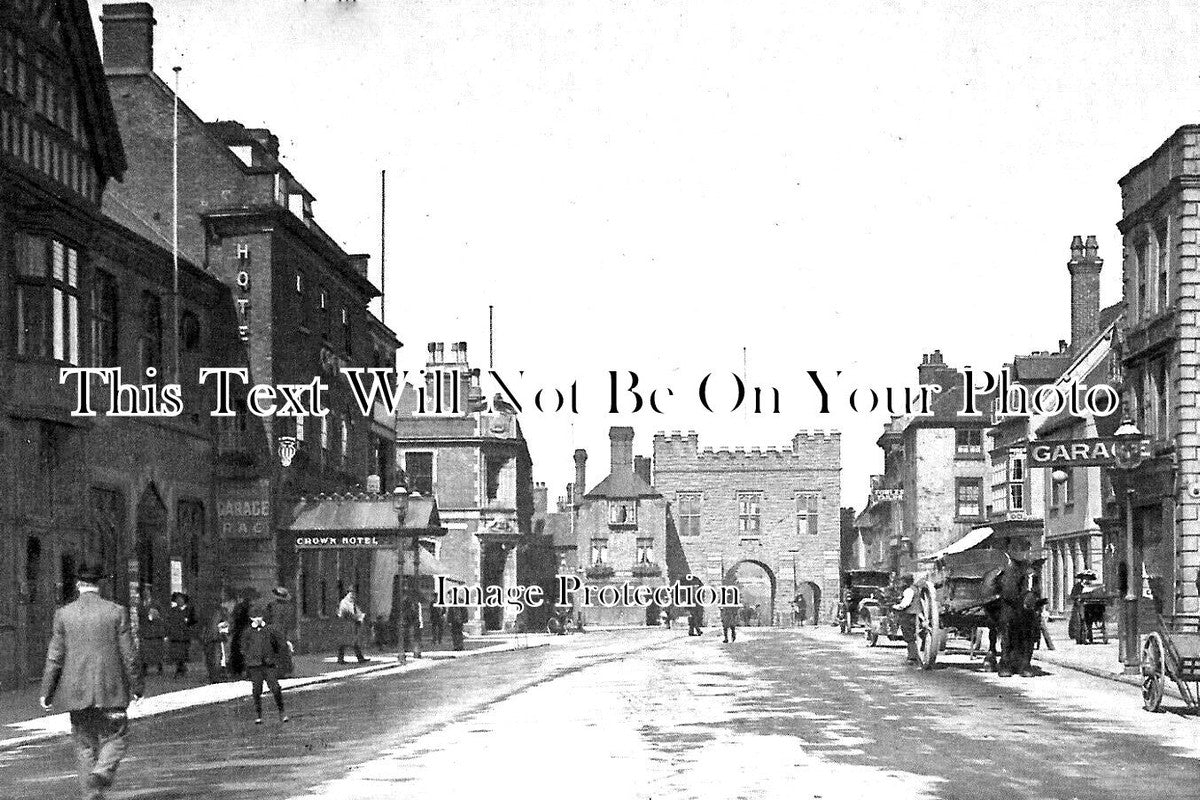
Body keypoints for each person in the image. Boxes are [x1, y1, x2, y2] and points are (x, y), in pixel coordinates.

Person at [39, 562, 143, 800]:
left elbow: (55, 657)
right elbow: (129, 655)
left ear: (78, 585)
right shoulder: (116, 611)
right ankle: (102, 772)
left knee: (84, 744)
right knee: (116, 737)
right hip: (111, 690)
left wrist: (47, 691)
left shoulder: (63, 614)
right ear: (100, 585)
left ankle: (90, 795)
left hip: (76, 692)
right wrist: (137, 686)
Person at [238, 602, 288, 724]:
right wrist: (249, 658)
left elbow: (279, 644)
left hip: (268, 664)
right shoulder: (248, 632)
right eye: (255, 617)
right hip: (255, 666)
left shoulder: (270, 630)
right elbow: (243, 647)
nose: (258, 619)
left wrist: (275, 658)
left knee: (275, 688)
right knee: (256, 690)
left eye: (259, 616)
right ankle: (258, 714)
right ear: (251, 619)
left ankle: (282, 712)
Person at [265, 587, 296, 678]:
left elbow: (267, 618)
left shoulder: (272, 605)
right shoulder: (289, 606)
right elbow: (291, 621)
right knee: (283, 651)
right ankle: (284, 671)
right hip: (282, 631)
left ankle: (278, 672)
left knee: (276, 651)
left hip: (274, 631)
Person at [165, 592, 197, 677]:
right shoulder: (172, 610)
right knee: (176, 653)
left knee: (183, 653)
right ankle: (180, 668)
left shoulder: (189, 610)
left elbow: (193, 622)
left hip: (184, 636)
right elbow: (169, 621)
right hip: (175, 635)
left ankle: (181, 668)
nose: (179, 601)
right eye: (177, 599)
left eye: (181, 599)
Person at [336, 589, 369, 664]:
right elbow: (347, 613)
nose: (353, 596)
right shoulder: (344, 603)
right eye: (351, 594)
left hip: (351, 624)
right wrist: (357, 617)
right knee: (346, 641)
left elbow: (356, 612)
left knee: (353, 641)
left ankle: (360, 658)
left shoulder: (351, 603)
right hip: (347, 624)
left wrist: (360, 616)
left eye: (353, 594)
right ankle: (340, 659)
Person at [893, 575, 920, 664]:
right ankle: (917, 655)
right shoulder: (917, 589)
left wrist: (896, 606)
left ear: (906, 582)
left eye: (902, 581)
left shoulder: (909, 590)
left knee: (909, 637)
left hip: (908, 615)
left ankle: (912, 657)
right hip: (916, 615)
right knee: (914, 636)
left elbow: (905, 604)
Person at [137, 591, 165, 677]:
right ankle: (145, 668)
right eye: (144, 594)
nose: (146, 595)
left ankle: (159, 667)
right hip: (146, 631)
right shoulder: (140, 605)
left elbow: (162, 615)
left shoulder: (156, 604)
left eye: (147, 594)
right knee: (145, 651)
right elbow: (140, 617)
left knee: (157, 651)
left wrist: (156, 617)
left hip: (155, 632)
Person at [400, 592, 423, 658]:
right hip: (411, 622)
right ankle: (415, 652)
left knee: (411, 637)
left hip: (410, 622)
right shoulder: (414, 604)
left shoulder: (411, 603)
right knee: (414, 638)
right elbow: (417, 614)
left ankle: (413, 652)